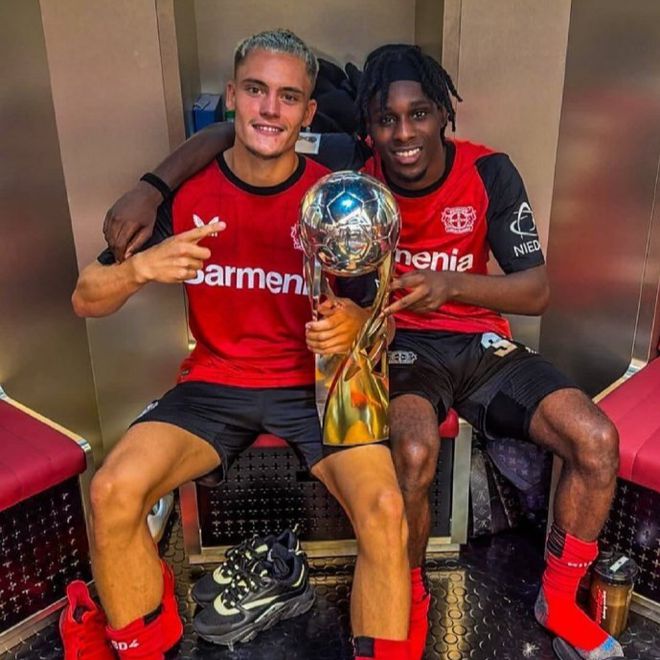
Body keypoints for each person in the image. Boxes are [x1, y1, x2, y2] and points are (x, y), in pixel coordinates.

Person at [104, 44, 622, 660]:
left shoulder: (489, 171)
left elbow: (536, 291)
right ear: (367, 128)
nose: (403, 134)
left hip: (478, 339)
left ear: (443, 114)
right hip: (393, 341)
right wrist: (151, 188)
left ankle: (560, 601)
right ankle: (409, 594)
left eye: (419, 114)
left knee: (595, 439)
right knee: (412, 448)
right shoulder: (350, 163)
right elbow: (235, 130)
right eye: (385, 119)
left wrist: (451, 285)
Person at [72, 30, 410, 660]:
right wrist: (140, 269)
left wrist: (355, 323)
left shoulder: (332, 199)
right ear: (231, 96)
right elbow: (85, 297)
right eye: (256, 90)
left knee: (385, 508)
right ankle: (146, 644)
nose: (270, 109)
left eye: (289, 97)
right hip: (214, 384)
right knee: (112, 492)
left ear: (309, 112)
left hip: (317, 387)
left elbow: (380, 317)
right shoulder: (187, 194)